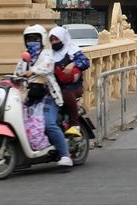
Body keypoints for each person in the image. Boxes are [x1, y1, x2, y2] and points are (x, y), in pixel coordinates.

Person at [16, 24, 72, 168]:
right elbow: (17, 73)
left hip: (48, 96)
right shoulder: (25, 59)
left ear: (42, 40)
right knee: (20, 123)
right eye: (28, 39)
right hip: (32, 97)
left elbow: (48, 66)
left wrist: (32, 71)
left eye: (35, 39)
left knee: (49, 123)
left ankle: (65, 155)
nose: (31, 42)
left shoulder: (47, 54)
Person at [49, 26, 90, 127]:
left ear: (63, 38)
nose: (54, 42)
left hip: (73, 86)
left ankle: (74, 124)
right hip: (55, 86)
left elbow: (85, 62)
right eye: (52, 40)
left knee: (66, 93)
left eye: (56, 39)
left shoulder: (72, 50)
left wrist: (72, 64)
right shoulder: (50, 54)